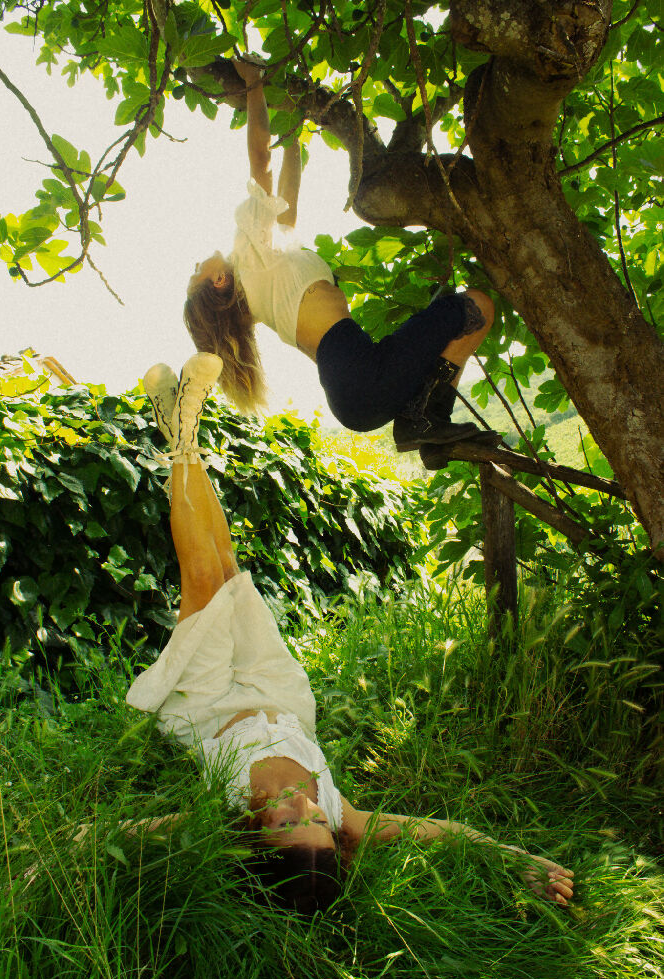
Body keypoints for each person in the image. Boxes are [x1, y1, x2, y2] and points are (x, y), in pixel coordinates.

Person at [122, 353, 574, 914]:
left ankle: (182, 434)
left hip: (209, 706)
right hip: (276, 692)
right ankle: (178, 425)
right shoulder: (345, 816)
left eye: (287, 822)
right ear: (336, 837)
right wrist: (511, 857)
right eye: (315, 822)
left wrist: (54, 850)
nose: (303, 806)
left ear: (255, 837)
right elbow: (445, 833)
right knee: (228, 570)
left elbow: (123, 834)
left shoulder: (221, 816)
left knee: (202, 580)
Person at [180, 56, 501, 459]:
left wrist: (293, 137)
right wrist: (254, 84)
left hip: (355, 388)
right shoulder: (248, 257)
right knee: (475, 306)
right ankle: (424, 422)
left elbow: (286, 207)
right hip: (359, 376)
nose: (197, 263)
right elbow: (260, 160)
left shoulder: (266, 273)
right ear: (218, 282)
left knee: (460, 312)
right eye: (196, 273)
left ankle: (430, 430)